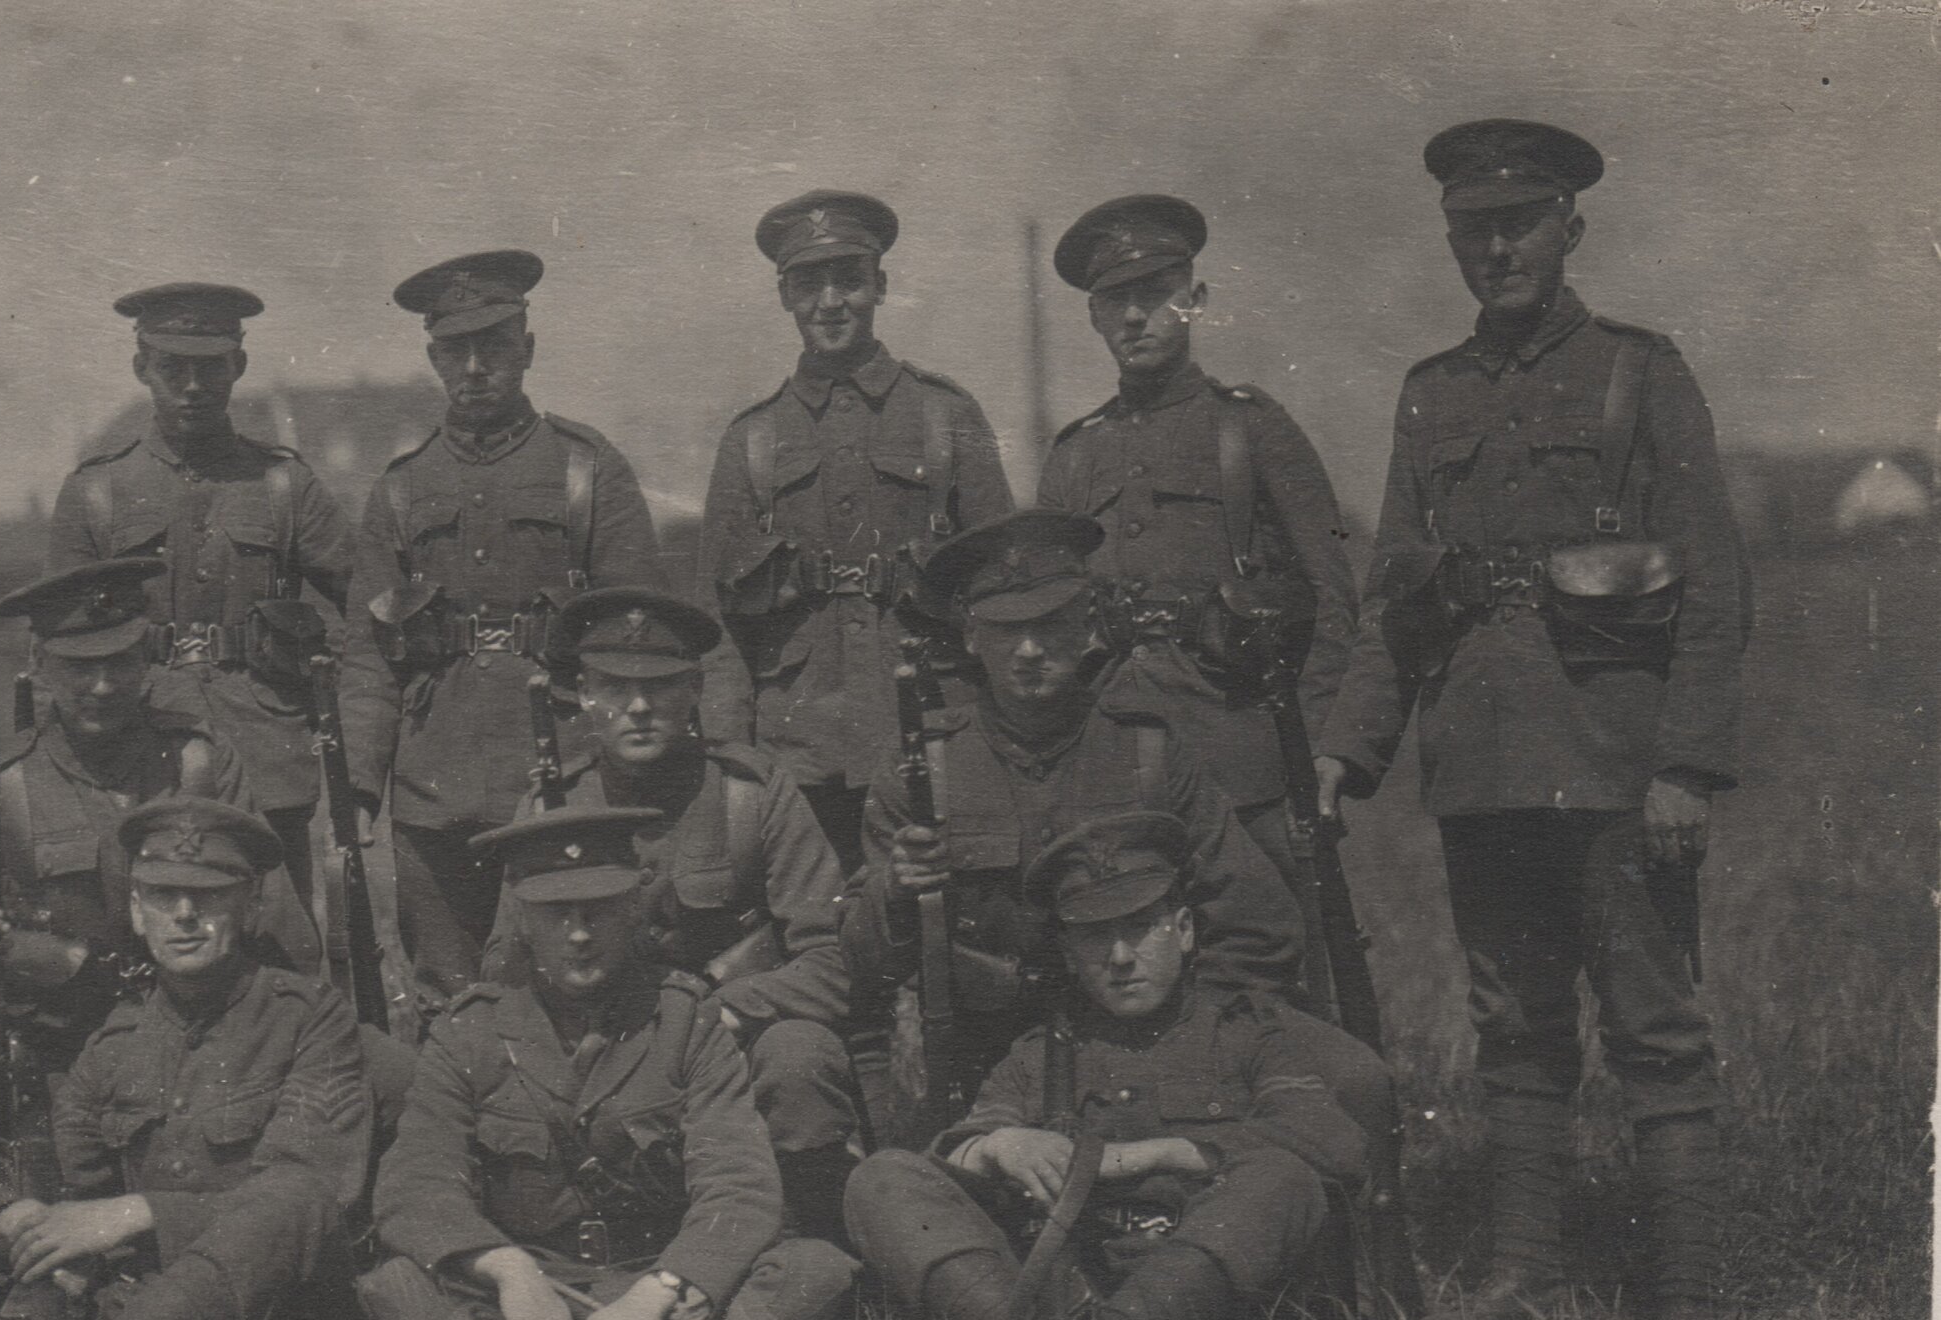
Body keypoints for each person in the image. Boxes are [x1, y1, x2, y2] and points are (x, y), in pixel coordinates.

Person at [1315, 121, 1749, 1320]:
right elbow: (1395, 601)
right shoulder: (1429, 395)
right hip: (1483, 768)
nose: (1497, 248)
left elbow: (1715, 581)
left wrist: (1684, 765)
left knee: (1655, 1029)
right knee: (1514, 1028)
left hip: (1614, 765)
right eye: (1474, 229)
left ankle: (1688, 1304)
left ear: (1571, 229)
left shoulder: (1638, 373)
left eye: (1520, 224)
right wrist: (1345, 751)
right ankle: (1523, 1279)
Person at [0, 798, 371, 1320]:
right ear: (135, 910)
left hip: (253, 1309)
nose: (184, 915)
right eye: (162, 895)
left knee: (289, 1207)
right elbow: (42, 1184)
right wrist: (9, 1220)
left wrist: (136, 1213)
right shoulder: (113, 1041)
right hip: (133, 1312)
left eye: (209, 896)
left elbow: (308, 1196)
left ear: (251, 905)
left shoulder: (309, 1018)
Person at [844, 811, 1368, 1320]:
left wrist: (1155, 1154)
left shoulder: (1245, 1031)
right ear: (1069, 952)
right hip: (1074, 1286)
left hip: (1206, 1285)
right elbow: (956, 1149)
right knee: (881, 1179)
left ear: (1184, 931)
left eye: (1141, 928)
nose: (1120, 957)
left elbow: (1332, 1145)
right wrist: (999, 1146)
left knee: (1283, 1179)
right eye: (1095, 936)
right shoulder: (1042, 1053)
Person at [841, 513, 1319, 1149]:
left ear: (1087, 626)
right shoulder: (924, 770)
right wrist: (897, 892)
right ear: (971, 637)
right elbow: (862, 965)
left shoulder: (1148, 753)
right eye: (1006, 629)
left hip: (1144, 1055)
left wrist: (1185, 1039)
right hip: (985, 1067)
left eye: (1049, 624)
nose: (1029, 650)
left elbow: (1259, 927)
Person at [357, 805, 857, 1320]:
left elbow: (738, 1185)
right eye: (555, 913)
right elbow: (417, 1182)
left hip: (657, 1280)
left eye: (598, 910)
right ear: (521, 918)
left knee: (813, 1271)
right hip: (530, 1287)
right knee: (395, 1287)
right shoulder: (470, 1032)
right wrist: (510, 1271)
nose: (578, 934)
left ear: (632, 910)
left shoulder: (686, 1023)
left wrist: (656, 1293)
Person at [484, 585, 862, 1237]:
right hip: (605, 1058)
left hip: (734, 1042)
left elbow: (831, 961)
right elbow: (503, 971)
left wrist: (720, 1013)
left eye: (659, 686)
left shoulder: (751, 795)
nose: (639, 707)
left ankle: (807, 1240)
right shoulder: (550, 807)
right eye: (615, 687)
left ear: (694, 690)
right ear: (584, 694)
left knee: (801, 1054)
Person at [337, 250, 659, 1000]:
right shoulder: (401, 489)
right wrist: (356, 787)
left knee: (567, 983)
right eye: (456, 350)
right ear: (434, 359)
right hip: (433, 784)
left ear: (528, 349)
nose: (476, 367)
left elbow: (640, 633)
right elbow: (368, 657)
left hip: (559, 772)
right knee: (444, 991)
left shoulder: (587, 469)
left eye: (495, 346)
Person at [1037, 196, 1358, 897]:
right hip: (1113, 759)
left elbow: (1334, 600)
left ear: (1195, 299)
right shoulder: (1073, 456)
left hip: (1244, 760)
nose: (1134, 316)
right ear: (1093, 316)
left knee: (1287, 942)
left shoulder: (1250, 428)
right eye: (1114, 300)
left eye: (1155, 293)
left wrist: (1311, 750)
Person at [697, 190, 1018, 871]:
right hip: (797, 751)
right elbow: (716, 619)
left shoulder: (946, 415)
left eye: (849, 280)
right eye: (808, 284)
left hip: (934, 726)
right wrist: (732, 750)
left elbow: (1006, 587)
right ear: (784, 296)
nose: (830, 302)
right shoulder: (751, 439)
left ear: (881, 285)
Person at [0, 558, 310, 1086]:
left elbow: (281, 934)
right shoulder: (1, 794)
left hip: (207, 1056)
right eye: (80, 667)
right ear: (39, 663)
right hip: (67, 1069)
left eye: (120, 662)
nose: (103, 686)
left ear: (146, 658)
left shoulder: (199, 764)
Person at [46, 283, 354, 910]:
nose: (192, 386)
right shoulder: (96, 494)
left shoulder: (285, 485)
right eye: (172, 368)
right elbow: (58, 647)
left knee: (283, 935)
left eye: (211, 368)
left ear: (238, 365)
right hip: (141, 750)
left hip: (267, 753)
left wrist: (320, 674)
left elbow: (369, 606)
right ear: (141, 368)